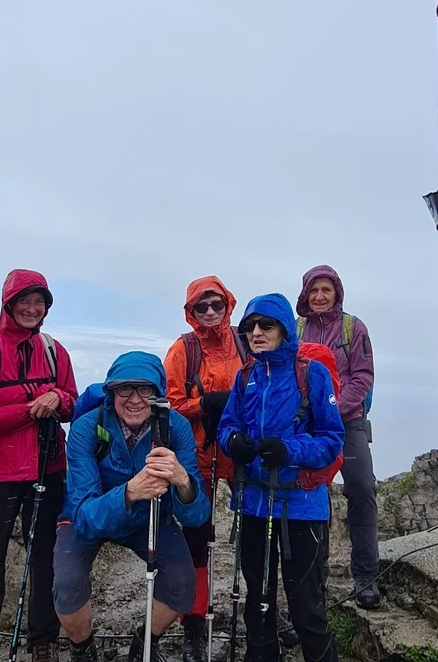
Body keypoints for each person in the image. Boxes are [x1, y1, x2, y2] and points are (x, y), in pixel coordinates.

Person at [53, 351, 210, 662]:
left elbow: (196, 516)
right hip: (90, 516)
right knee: (67, 584)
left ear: (158, 392)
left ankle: (145, 642)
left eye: (145, 389)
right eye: (125, 389)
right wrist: (129, 493)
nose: (135, 399)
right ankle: (83, 649)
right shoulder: (86, 428)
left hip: (148, 516)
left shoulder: (175, 428)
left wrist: (184, 482)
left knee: (182, 581)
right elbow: (83, 516)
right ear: (111, 392)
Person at [217, 293, 345, 662]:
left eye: (266, 325)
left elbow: (332, 440)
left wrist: (290, 450)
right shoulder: (246, 377)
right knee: (258, 607)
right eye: (249, 326)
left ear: (284, 329)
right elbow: (227, 426)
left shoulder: (312, 374)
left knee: (307, 610)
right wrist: (233, 442)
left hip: (301, 506)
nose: (256, 332)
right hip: (253, 504)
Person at [0, 270, 79, 662]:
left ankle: (43, 642)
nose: (32, 308)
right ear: (8, 304)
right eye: (24, 301)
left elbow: (72, 403)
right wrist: (30, 409)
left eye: (39, 302)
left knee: (45, 558)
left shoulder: (54, 351)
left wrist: (57, 397)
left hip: (48, 467)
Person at [160, 276, 246, 662]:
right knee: (198, 538)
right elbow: (169, 404)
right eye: (202, 306)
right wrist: (204, 404)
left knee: (255, 532)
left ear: (228, 304)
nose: (210, 311)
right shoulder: (183, 349)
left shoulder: (244, 342)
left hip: (241, 450)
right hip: (199, 453)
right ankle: (194, 621)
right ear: (191, 311)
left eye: (216, 304)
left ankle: (262, 607)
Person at [294, 264, 381, 609]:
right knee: (314, 494)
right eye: (314, 290)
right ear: (305, 294)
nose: (319, 297)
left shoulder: (353, 328)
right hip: (309, 427)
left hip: (348, 422)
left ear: (337, 293)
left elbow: (362, 377)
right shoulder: (295, 329)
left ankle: (366, 576)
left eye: (326, 290)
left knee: (361, 487)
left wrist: (331, 410)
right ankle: (317, 579)